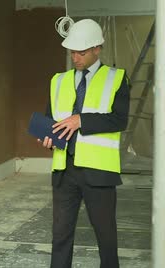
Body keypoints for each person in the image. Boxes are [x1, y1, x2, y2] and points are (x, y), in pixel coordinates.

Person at [38, 19, 130, 268]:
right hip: (64, 170)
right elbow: (50, 120)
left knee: (106, 238)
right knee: (60, 236)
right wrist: (47, 137)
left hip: (99, 172)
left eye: (81, 52)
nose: (75, 57)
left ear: (97, 49)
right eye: (72, 52)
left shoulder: (117, 78)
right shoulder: (58, 80)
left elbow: (119, 120)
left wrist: (81, 120)